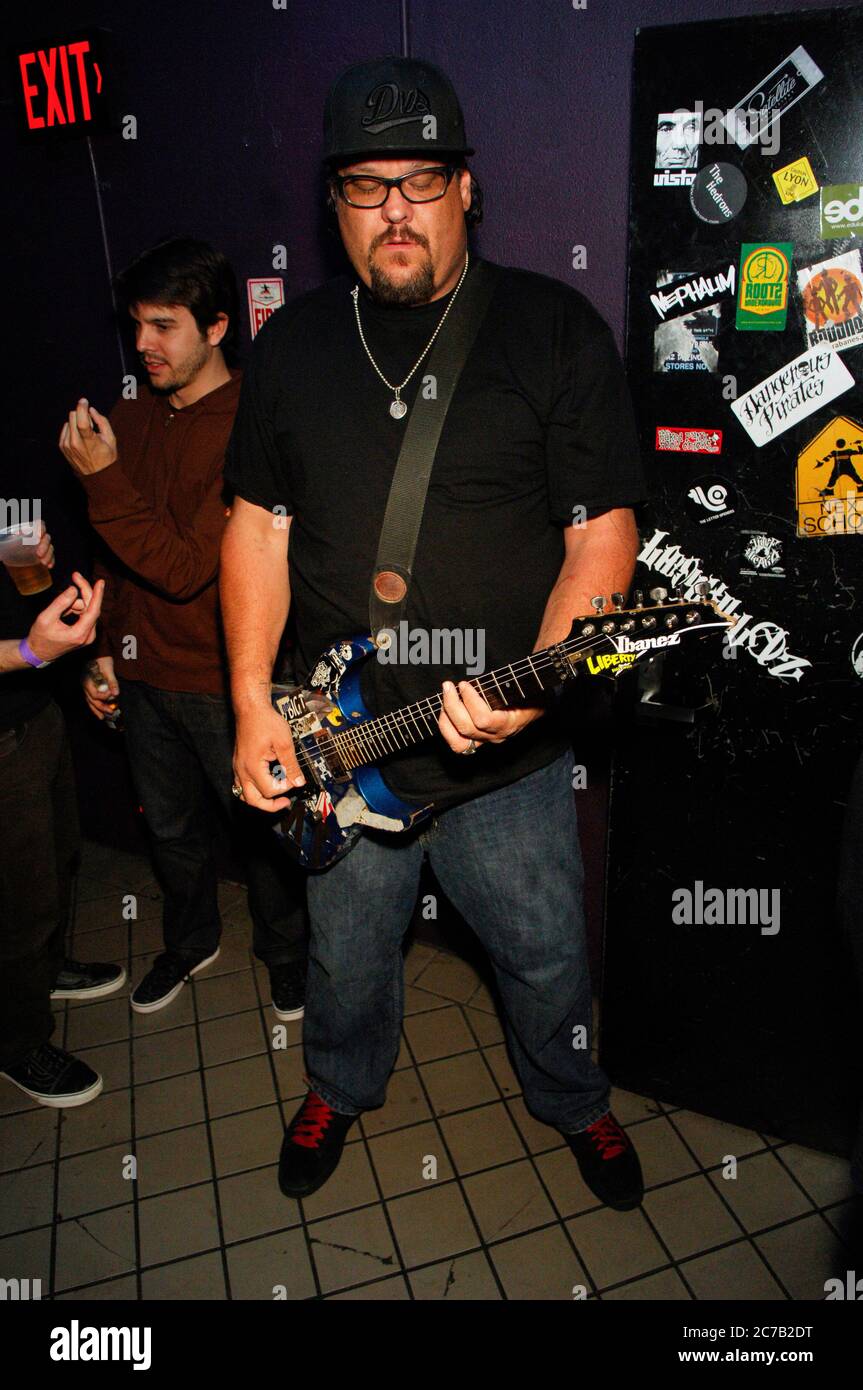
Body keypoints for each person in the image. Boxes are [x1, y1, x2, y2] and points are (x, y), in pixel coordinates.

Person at [221, 57, 647, 1210]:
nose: (395, 209)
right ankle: (338, 1084)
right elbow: (257, 525)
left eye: (421, 179)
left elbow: (599, 533)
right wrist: (255, 699)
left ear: (468, 190)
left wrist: (549, 679)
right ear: (333, 204)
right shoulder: (296, 347)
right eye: (367, 185)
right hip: (340, 747)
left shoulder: (553, 331)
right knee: (346, 959)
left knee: (543, 952)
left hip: (500, 756)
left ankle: (572, 1094)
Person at [58, 238, 308, 1020]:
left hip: (222, 678)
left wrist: (101, 480)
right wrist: (100, 649)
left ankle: (287, 956)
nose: (143, 345)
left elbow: (182, 567)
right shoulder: (128, 415)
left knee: (265, 834)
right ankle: (191, 937)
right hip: (141, 672)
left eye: (164, 326)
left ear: (218, 326)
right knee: (169, 830)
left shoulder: (249, 425)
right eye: (137, 326)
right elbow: (114, 552)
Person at [0, 538, 125, 1108]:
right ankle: (17, 1042)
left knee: (56, 861)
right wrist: (27, 652)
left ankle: (45, 973)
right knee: (18, 901)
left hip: (31, 707)